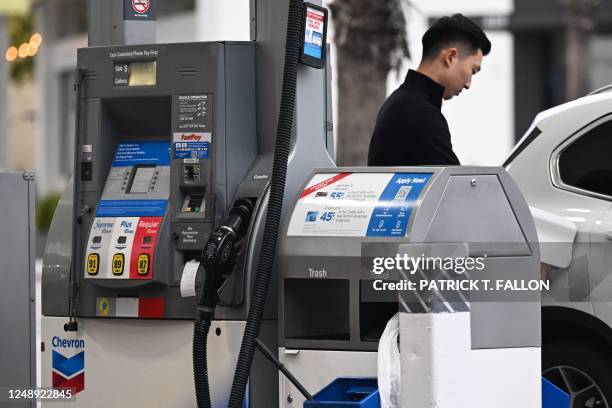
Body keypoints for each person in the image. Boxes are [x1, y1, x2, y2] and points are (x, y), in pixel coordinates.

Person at [367, 14, 491, 166]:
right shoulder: (418, 112)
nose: (468, 84)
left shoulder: (400, 102)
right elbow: (454, 187)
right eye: (473, 70)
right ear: (450, 57)